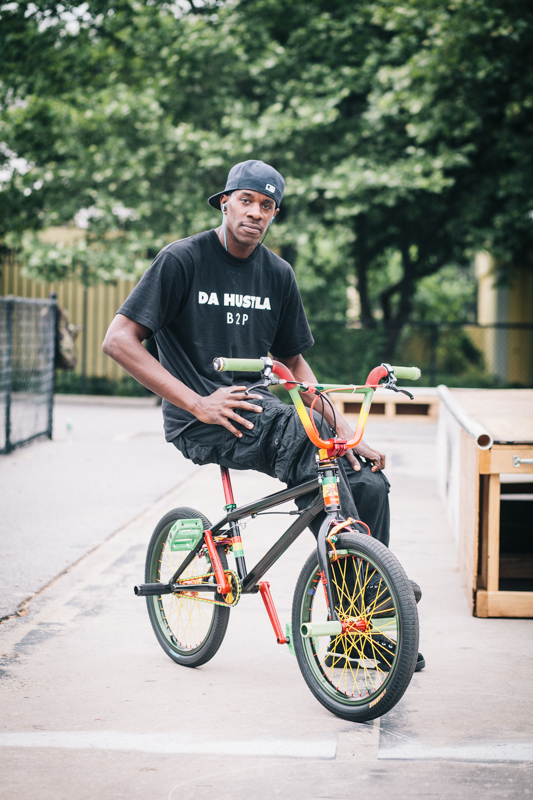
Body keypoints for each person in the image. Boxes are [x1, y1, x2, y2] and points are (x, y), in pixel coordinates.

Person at [102, 159, 390, 545]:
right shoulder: (182, 260)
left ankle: (376, 591)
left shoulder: (277, 274)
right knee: (307, 436)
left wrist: (346, 432)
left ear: (274, 215)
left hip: (256, 411)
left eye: (266, 206)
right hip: (200, 421)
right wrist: (198, 404)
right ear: (225, 203)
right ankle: (353, 575)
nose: (255, 212)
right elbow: (118, 340)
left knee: (366, 477)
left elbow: (293, 363)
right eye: (245, 200)